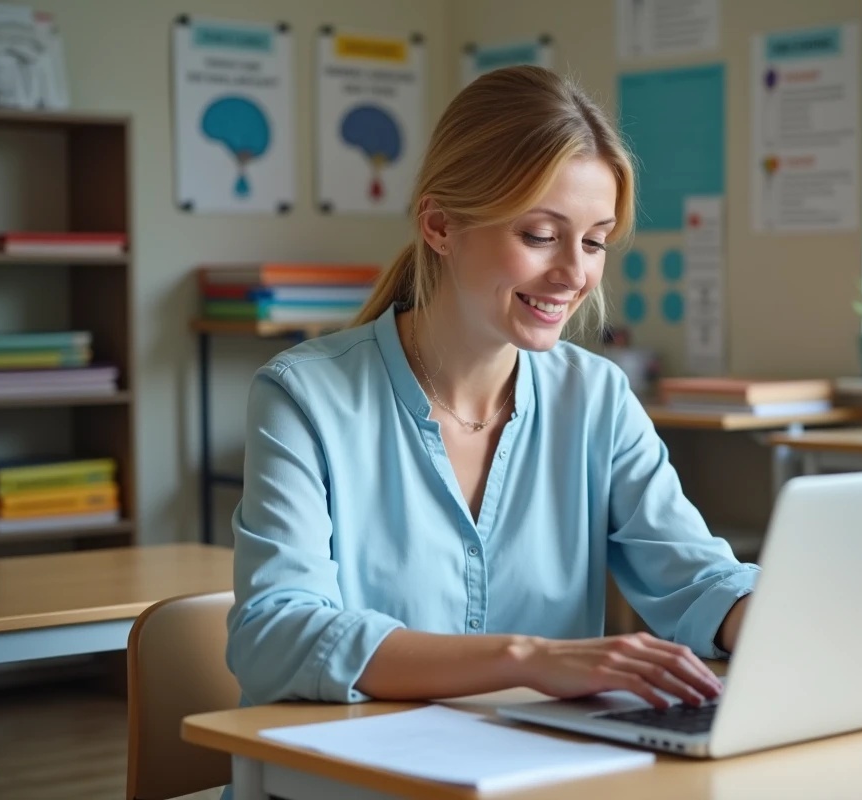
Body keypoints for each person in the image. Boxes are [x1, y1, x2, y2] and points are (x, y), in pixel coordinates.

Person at [226, 66, 759, 714]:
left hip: (535, 772)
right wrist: (529, 660)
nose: (574, 273)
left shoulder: (597, 399)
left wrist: (774, 620)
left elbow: (699, 580)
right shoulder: (305, 398)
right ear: (441, 225)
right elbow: (277, 634)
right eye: (539, 235)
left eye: (594, 242)